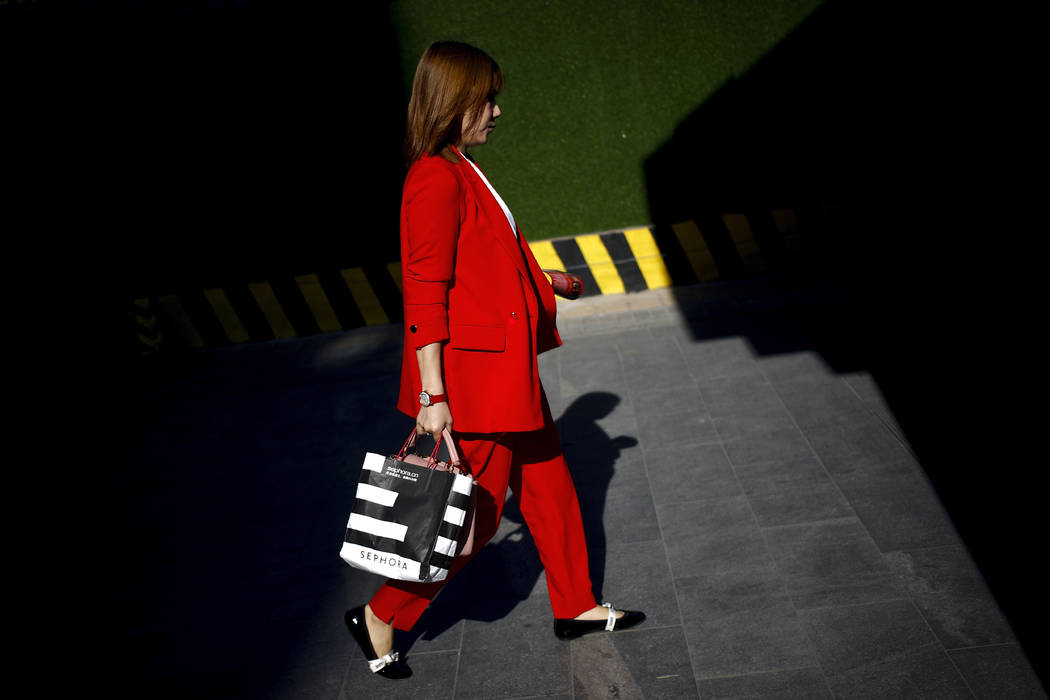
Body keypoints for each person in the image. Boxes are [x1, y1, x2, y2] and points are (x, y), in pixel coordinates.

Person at [345, 40, 645, 679]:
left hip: (504, 369)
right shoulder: (434, 176)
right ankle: (381, 613)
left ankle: (577, 606)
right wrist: (433, 394)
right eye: (489, 100)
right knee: (474, 519)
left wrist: (545, 283)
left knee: (553, 489)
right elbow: (425, 289)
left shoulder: (458, 166)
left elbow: (483, 265)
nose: (497, 113)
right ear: (455, 103)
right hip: (474, 382)